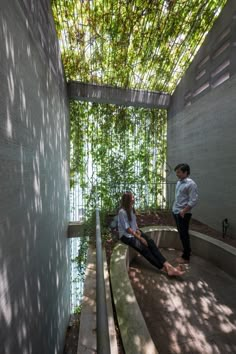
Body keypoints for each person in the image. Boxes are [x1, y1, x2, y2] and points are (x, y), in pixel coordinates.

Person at [118, 192, 185, 277]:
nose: (134, 198)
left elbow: (134, 224)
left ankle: (169, 266)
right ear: (128, 200)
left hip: (134, 232)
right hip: (126, 236)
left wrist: (139, 231)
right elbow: (128, 229)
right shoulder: (122, 212)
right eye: (132, 197)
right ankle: (165, 270)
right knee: (144, 249)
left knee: (150, 242)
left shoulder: (131, 208)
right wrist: (140, 238)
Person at [172, 163, 198, 264]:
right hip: (176, 211)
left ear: (185, 172)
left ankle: (186, 257)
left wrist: (183, 211)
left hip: (183, 214)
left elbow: (194, 200)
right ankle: (188, 251)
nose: (177, 174)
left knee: (184, 235)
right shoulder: (179, 182)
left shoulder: (191, 184)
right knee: (182, 234)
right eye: (176, 172)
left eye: (178, 172)